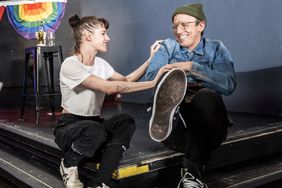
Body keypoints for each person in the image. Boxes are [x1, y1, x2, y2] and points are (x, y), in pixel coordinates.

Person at [53, 14, 164, 188]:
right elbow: (110, 88)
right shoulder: (71, 64)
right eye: (103, 33)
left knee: (125, 121)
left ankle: (102, 183)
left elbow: (126, 81)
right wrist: (153, 83)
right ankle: (68, 164)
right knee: (95, 130)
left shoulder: (101, 65)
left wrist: (150, 60)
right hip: (69, 128)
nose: (108, 38)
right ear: (88, 36)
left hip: (93, 126)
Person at [145, 3, 236, 188]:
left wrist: (191, 67)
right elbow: (152, 77)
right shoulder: (168, 46)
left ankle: (191, 171)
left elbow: (228, 84)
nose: (178, 31)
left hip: (209, 124)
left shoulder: (216, 48)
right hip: (174, 132)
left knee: (206, 97)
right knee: (172, 90)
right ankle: (191, 175)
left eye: (185, 25)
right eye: (175, 26)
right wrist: (166, 73)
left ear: (200, 26)